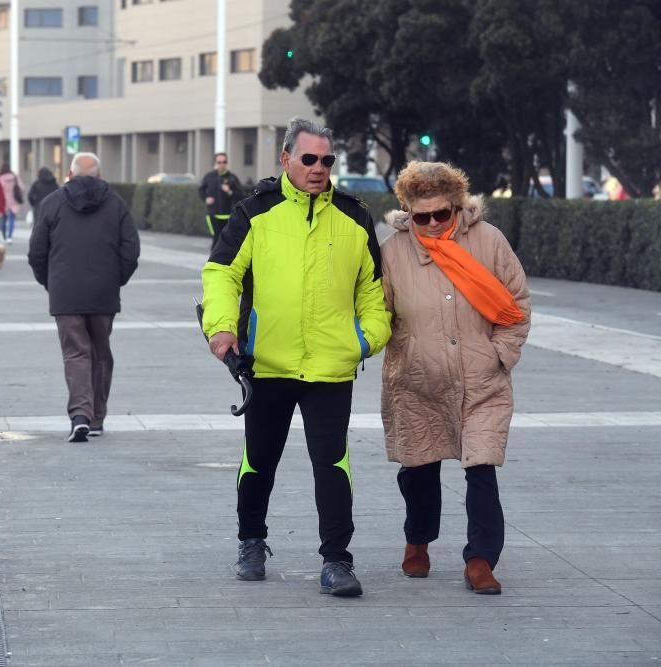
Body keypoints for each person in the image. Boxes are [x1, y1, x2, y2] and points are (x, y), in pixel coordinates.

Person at [201, 117, 391, 597]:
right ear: (285, 159)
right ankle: (251, 540)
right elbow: (221, 273)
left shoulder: (354, 218)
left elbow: (374, 293)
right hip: (267, 365)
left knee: (333, 464)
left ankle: (337, 561)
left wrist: (364, 339)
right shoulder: (254, 213)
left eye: (327, 160)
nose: (319, 168)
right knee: (259, 461)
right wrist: (222, 327)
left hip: (331, 367)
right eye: (309, 159)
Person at [380, 161, 531, 595]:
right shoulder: (393, 251)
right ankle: (418, 540)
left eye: (440, 215)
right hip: (416, 381)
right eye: (420, 217)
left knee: (482, 469)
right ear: (408, 212)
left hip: (482, 382)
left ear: (457, 207)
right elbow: (378, 310)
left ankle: (481, 559)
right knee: (418, 471)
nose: (430, 224)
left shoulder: (488, 240)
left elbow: (517, 304)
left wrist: (499, 355)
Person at [27, 153, 140, 443]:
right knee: (101, 353)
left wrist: (51, 283)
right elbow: (131, 249)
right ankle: (97, 418)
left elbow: (37, 252)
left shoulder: (52, 203)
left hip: (65, 293)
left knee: (76, 353)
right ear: (99, 175)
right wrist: (117, 279)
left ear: (69, 173)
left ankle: (80, 416)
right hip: (104, 292)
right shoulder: (115, 204)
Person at [198, 152, 244, 249]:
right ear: (215, 163)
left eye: (224, 162)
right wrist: (206, 198)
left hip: (229, 216)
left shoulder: (232, 177)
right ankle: (213, 262)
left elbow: (240, 195)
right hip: (213, 215)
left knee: (227, 241)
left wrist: (230, 191)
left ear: (227, 163)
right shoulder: (209, 177)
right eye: (219, 162)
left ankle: (225, 262)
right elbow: (201, 190)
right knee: (216, 239)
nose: (222, 164)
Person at [0, 162, 25, 245]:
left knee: (3, 219)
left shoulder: (0, 178)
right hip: (13, 201)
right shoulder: (15, 177)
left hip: (3, 201)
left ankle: (3, 236)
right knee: (11, 220)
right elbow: (22, 188)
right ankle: (10, 237)